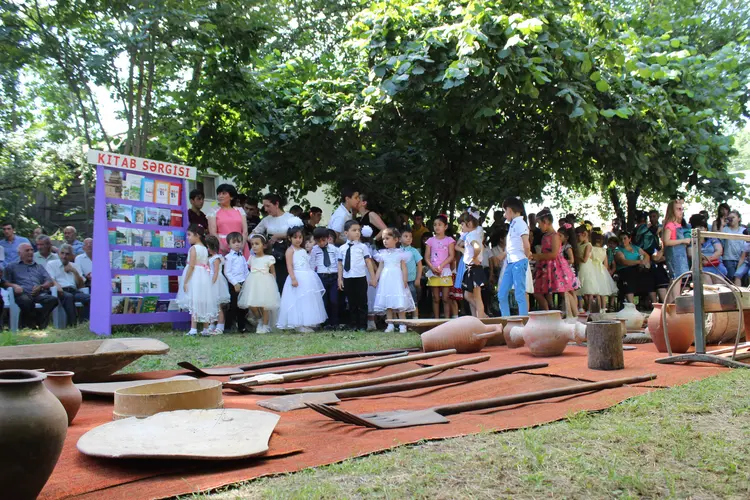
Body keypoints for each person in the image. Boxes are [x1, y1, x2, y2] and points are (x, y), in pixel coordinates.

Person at [277, 225, 327, 332]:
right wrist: (293, 278)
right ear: (289, 238)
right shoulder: (290, 250)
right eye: (295, 237)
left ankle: (307, 322)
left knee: (307, 299)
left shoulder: (303, 250)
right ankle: (298, 323)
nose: (298, 240)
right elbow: (289, 265)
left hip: (307, 276)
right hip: (297, 276)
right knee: (297, 299)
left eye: (300, 237)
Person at [530, 209, 578, 318]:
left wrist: (536, 256)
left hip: (556, 267)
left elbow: (554, 254)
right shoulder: (544, 236)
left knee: (564, 291)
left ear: (546, 221)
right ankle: (548, 315)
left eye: (539, 223)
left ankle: (576, 316)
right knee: (537, 292)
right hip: (545, 267)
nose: (538, 226)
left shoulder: (555, 236)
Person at [2, 243, 58, 328]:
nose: (30, 252)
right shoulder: (12, 266)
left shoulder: (39, 267)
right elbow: (4, 282)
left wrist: (41, 286)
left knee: (53, 300)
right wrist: (14, 286)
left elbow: (49, 281)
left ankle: (37, 321)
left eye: (32, 250)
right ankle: (35, 324)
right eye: (27, 250)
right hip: (22, 294)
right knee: (26, 301)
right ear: (19, 253)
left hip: (39, 293)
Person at [252, 193, 300, 292]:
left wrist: (280, 235)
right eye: (264, 206)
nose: (265, 209)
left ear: (277, 204)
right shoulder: (266, 220)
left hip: (288, 254)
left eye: (268, 206)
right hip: (272, 254)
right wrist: (262, 240)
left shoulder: (290, 218)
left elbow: (298, 234)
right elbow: (253, 234)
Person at [176, 225, 217, 336]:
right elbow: (207, 264)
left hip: (195, 276)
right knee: (203, 300)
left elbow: (191, 265)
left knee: (195, 300)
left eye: (189, 235)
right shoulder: (204, 248)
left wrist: (185, 281)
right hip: (203, 275)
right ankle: (205, 328)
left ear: (197, 235)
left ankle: (193, 329)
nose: (187, 237)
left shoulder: (194, 248)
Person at [372, 228, 415, 332]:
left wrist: (405, 279)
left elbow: (404, 268)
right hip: (386, 280)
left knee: (400, 302)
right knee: (388, 303)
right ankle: (390, 325)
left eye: (387, 238)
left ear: (396, 240)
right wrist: (375, 279)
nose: (385, 241)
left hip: (397, 280)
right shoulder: (382, 254)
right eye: (383, 239)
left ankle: (402, 325)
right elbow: (380, 268)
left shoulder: (400, 253)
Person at [337, 219, 376, 330]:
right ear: (346, 233)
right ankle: (354, 324)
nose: (357, 232)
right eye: (354, 230)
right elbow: (340, 264)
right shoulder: (342, 249)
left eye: (358, 230)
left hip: (360, 277)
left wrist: (373, 277)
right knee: (351, 302)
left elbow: (368, 262)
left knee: (362, 301)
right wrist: (340, 279)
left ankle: (363, 325)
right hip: (348, 278)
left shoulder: (363, 247)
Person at [238, 235, 280, 333]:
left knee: (265, 305)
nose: (254, 246)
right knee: (252, 304)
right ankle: (260, 319)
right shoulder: (251, 258)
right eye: (252, 244)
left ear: (264, 246)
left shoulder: (269, 258)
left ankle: (265, 326)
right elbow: (249, 270)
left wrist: (273, 284)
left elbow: (273, 272)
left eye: (257, 244)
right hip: (253, 283)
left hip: (266, 283)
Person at [498, 198, 531, 317]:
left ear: (510, 210)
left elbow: (526, 244)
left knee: (519, 294)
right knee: (501, 294)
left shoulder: (521, 223)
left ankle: (524, 320)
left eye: (505, 211)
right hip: (511, 263)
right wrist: (504, 254)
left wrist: (526, 255)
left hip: (519, 262)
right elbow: (513, 244)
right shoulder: (513, 224)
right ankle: (506, 319)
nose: (504, 214)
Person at [46, 243, 89, 326]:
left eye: (67, 254)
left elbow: (81, 286)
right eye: (62, 253)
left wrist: (74, 271)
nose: (64, 256)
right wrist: (58, 287)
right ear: (58, 254)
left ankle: (84, 323)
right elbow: (51, 279)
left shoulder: (75, 266)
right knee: (68, 297)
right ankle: (72, 325)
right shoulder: (51, 264)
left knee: (89, 298)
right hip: (60, 291)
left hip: (74, 291)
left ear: (71, 256)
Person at [456, 211, 487, 318]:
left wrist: (474, 257)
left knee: (477, 297)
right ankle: (477, 317)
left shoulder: (471, 235)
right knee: (468, 295)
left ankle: (482, 318)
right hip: (471, 268)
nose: (461, 227)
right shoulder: (474, 234)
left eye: (462, 224)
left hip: (474, 268)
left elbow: (477, 247)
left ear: (469, 224)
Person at [576, 228, 616, 311]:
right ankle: (603, 308)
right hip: (602, 271)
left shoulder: (592, 248)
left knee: (594, 291)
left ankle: (593, 308)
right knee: (602, 291)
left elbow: (589, 259)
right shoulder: (604, 250)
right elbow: (606, 264)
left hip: (592, 270)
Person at [425, 215, 455, 319]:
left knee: (446, 298)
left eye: (439, 225)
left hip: (445, 271)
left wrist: (441, 266)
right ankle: (436, 320)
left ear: (445, 226)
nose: (437, 227)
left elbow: (451, 256)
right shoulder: (430, 240)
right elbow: (426, 257)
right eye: (435, 225)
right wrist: (432, 268)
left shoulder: (449, 240)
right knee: (435, 298)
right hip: (433, 271)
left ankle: (447, 320)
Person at [208, 184, 249, 260]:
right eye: (219, 194)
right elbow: (213, 232)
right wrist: (222, 247)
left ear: (231, 197)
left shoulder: (240, 210)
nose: (220, 196)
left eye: (224, 193)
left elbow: (245, 231)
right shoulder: (213, 211)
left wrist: (241, 246)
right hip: (221, 245)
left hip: (240, 244)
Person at [310, 227, 340, 329]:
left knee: (334, 300)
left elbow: (338, 263)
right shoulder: (314, 250)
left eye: (323, 240)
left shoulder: (334, 249)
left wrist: (340, 277)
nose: (321, 243)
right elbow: (312, 264)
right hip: (321, 277)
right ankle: (325, 323)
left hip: (333, 276)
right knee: (324, 300)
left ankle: (335, 322)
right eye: (318, 241)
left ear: (328, 238)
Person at [615, 231, 653, 304]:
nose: (623, 241)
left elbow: (646, 255)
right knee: (629, 275)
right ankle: (631, 304)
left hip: (637, 268)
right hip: (625, 269)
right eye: (621, 239)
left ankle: (653, 303)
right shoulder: (618, 249)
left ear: (629, 239)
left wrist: (644, 262)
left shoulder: (635, 248)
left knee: (649, 275)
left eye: (625, 238)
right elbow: (624, 261)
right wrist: (639, 262)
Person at [223, 232, 250, 333]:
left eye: (239, 242)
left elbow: (246, 270)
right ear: (229, 245)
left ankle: (242, 327)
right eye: (234, 242)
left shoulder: (242, 256)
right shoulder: (228, 257)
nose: (237, 244)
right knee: (233, 306)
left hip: (243, 283)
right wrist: (235, 283)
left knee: (242, 306)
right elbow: (227, 272)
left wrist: (247, 281)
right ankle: (228, 327)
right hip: (233, 284)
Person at [206, 236, 230, 335]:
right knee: (211, 305)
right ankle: (212, 324)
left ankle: (220, 326)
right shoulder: (210, 258)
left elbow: (216, 272)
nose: (207, 249)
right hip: (210, 279)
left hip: (216, 282)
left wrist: (212, 283)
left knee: (218, 305)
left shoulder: (216, 258)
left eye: (208, 247)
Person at [662, 199, 691, 280]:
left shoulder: (678, 225)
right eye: (678, 209)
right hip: (674, 256)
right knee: (676, 280)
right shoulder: (670, 225)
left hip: (681, 256)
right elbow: (666, 241)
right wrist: (683, 241)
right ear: (672, 211)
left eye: (682, 209)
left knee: (678, 280)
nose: (681, 211)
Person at [400, 228, 423, 319]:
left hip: (411, 280)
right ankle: (403, 321)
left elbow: (419, 265)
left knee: (414, 301)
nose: (409, 238)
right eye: (406, 236)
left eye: (410, 236)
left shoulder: (414, 251)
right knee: (401, 301)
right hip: (400, 281)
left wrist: (418, 278)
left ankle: (415, 319)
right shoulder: (397, 251)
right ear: (399, 239)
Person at [721, 210, 745, 280]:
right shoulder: (725, 229)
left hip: (742, 259)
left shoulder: (744, 230)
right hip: (728, 259)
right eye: (729, 217)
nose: (731, 219)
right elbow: (720, 239)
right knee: (731, 279)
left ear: (739, 219)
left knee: (741, 279)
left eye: (733, 217)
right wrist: (722, 225)